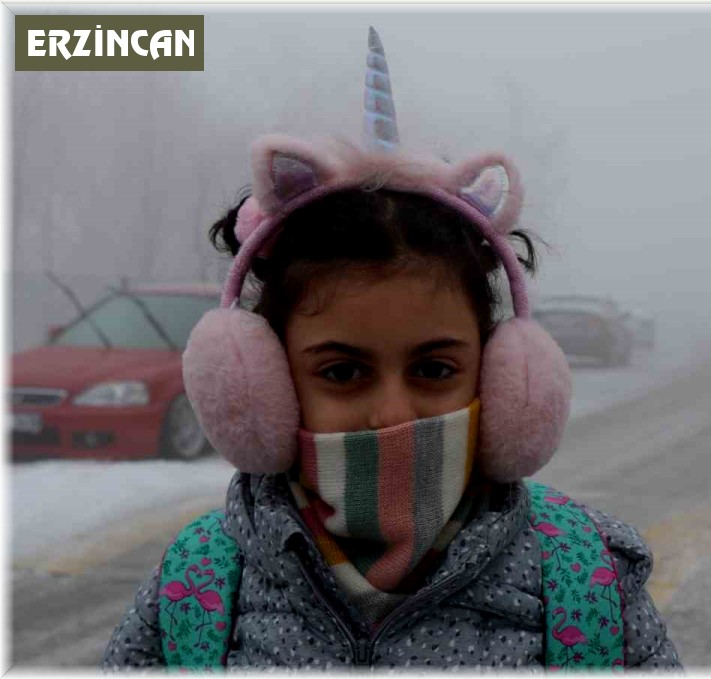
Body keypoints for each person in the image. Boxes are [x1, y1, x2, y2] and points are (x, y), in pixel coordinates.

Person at [102, 28, 679, 670]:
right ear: (265, 385)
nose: (392, 414)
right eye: (343, 372)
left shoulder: (585, 586)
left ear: (499, 377)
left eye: (435, 369)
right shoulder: (200, 590)